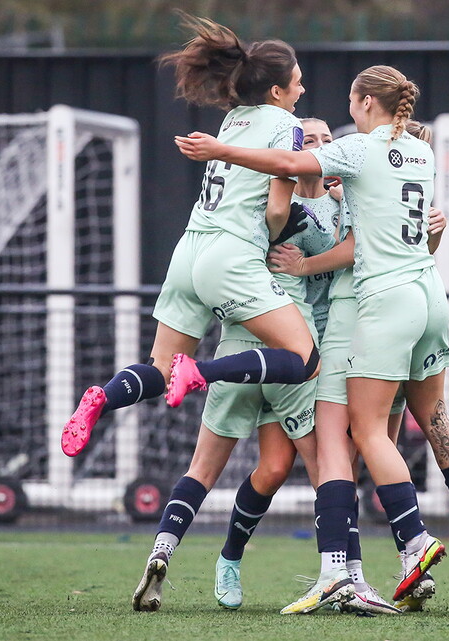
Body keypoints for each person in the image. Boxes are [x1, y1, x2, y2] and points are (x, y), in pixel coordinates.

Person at [174, 65, 449, 607]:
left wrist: (220, 152)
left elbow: (287, 168)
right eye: (315, 138)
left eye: (338, 119)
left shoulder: (357, 154)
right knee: (412, 425)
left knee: (347, 444)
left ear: (366, 102)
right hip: (425, 297)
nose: (325, 141)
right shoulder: (420, 152)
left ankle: (375, 559)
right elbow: (396, 224)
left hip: (367, 312)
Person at [61, 17, 320, 464]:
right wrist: (282, 234)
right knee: (305, 359)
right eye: (297, 82)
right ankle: (200, 372)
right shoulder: (287, 125)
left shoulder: (234, 120)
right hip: (231, 252)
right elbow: (277, 210)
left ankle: (103, 397)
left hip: (189, 250)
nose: (302, 89)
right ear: (277, 91)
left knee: (160, 368)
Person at [131, 117, 341, 614]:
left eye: (327, 140)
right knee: (326, 468)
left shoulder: (335, 203)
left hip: (253, 345)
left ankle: (215, 557)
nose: (318, 146)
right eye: (309, 139)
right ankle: (340, 574)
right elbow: (341, 248)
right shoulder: (285, 204)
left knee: (272, 469)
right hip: (290, 348)